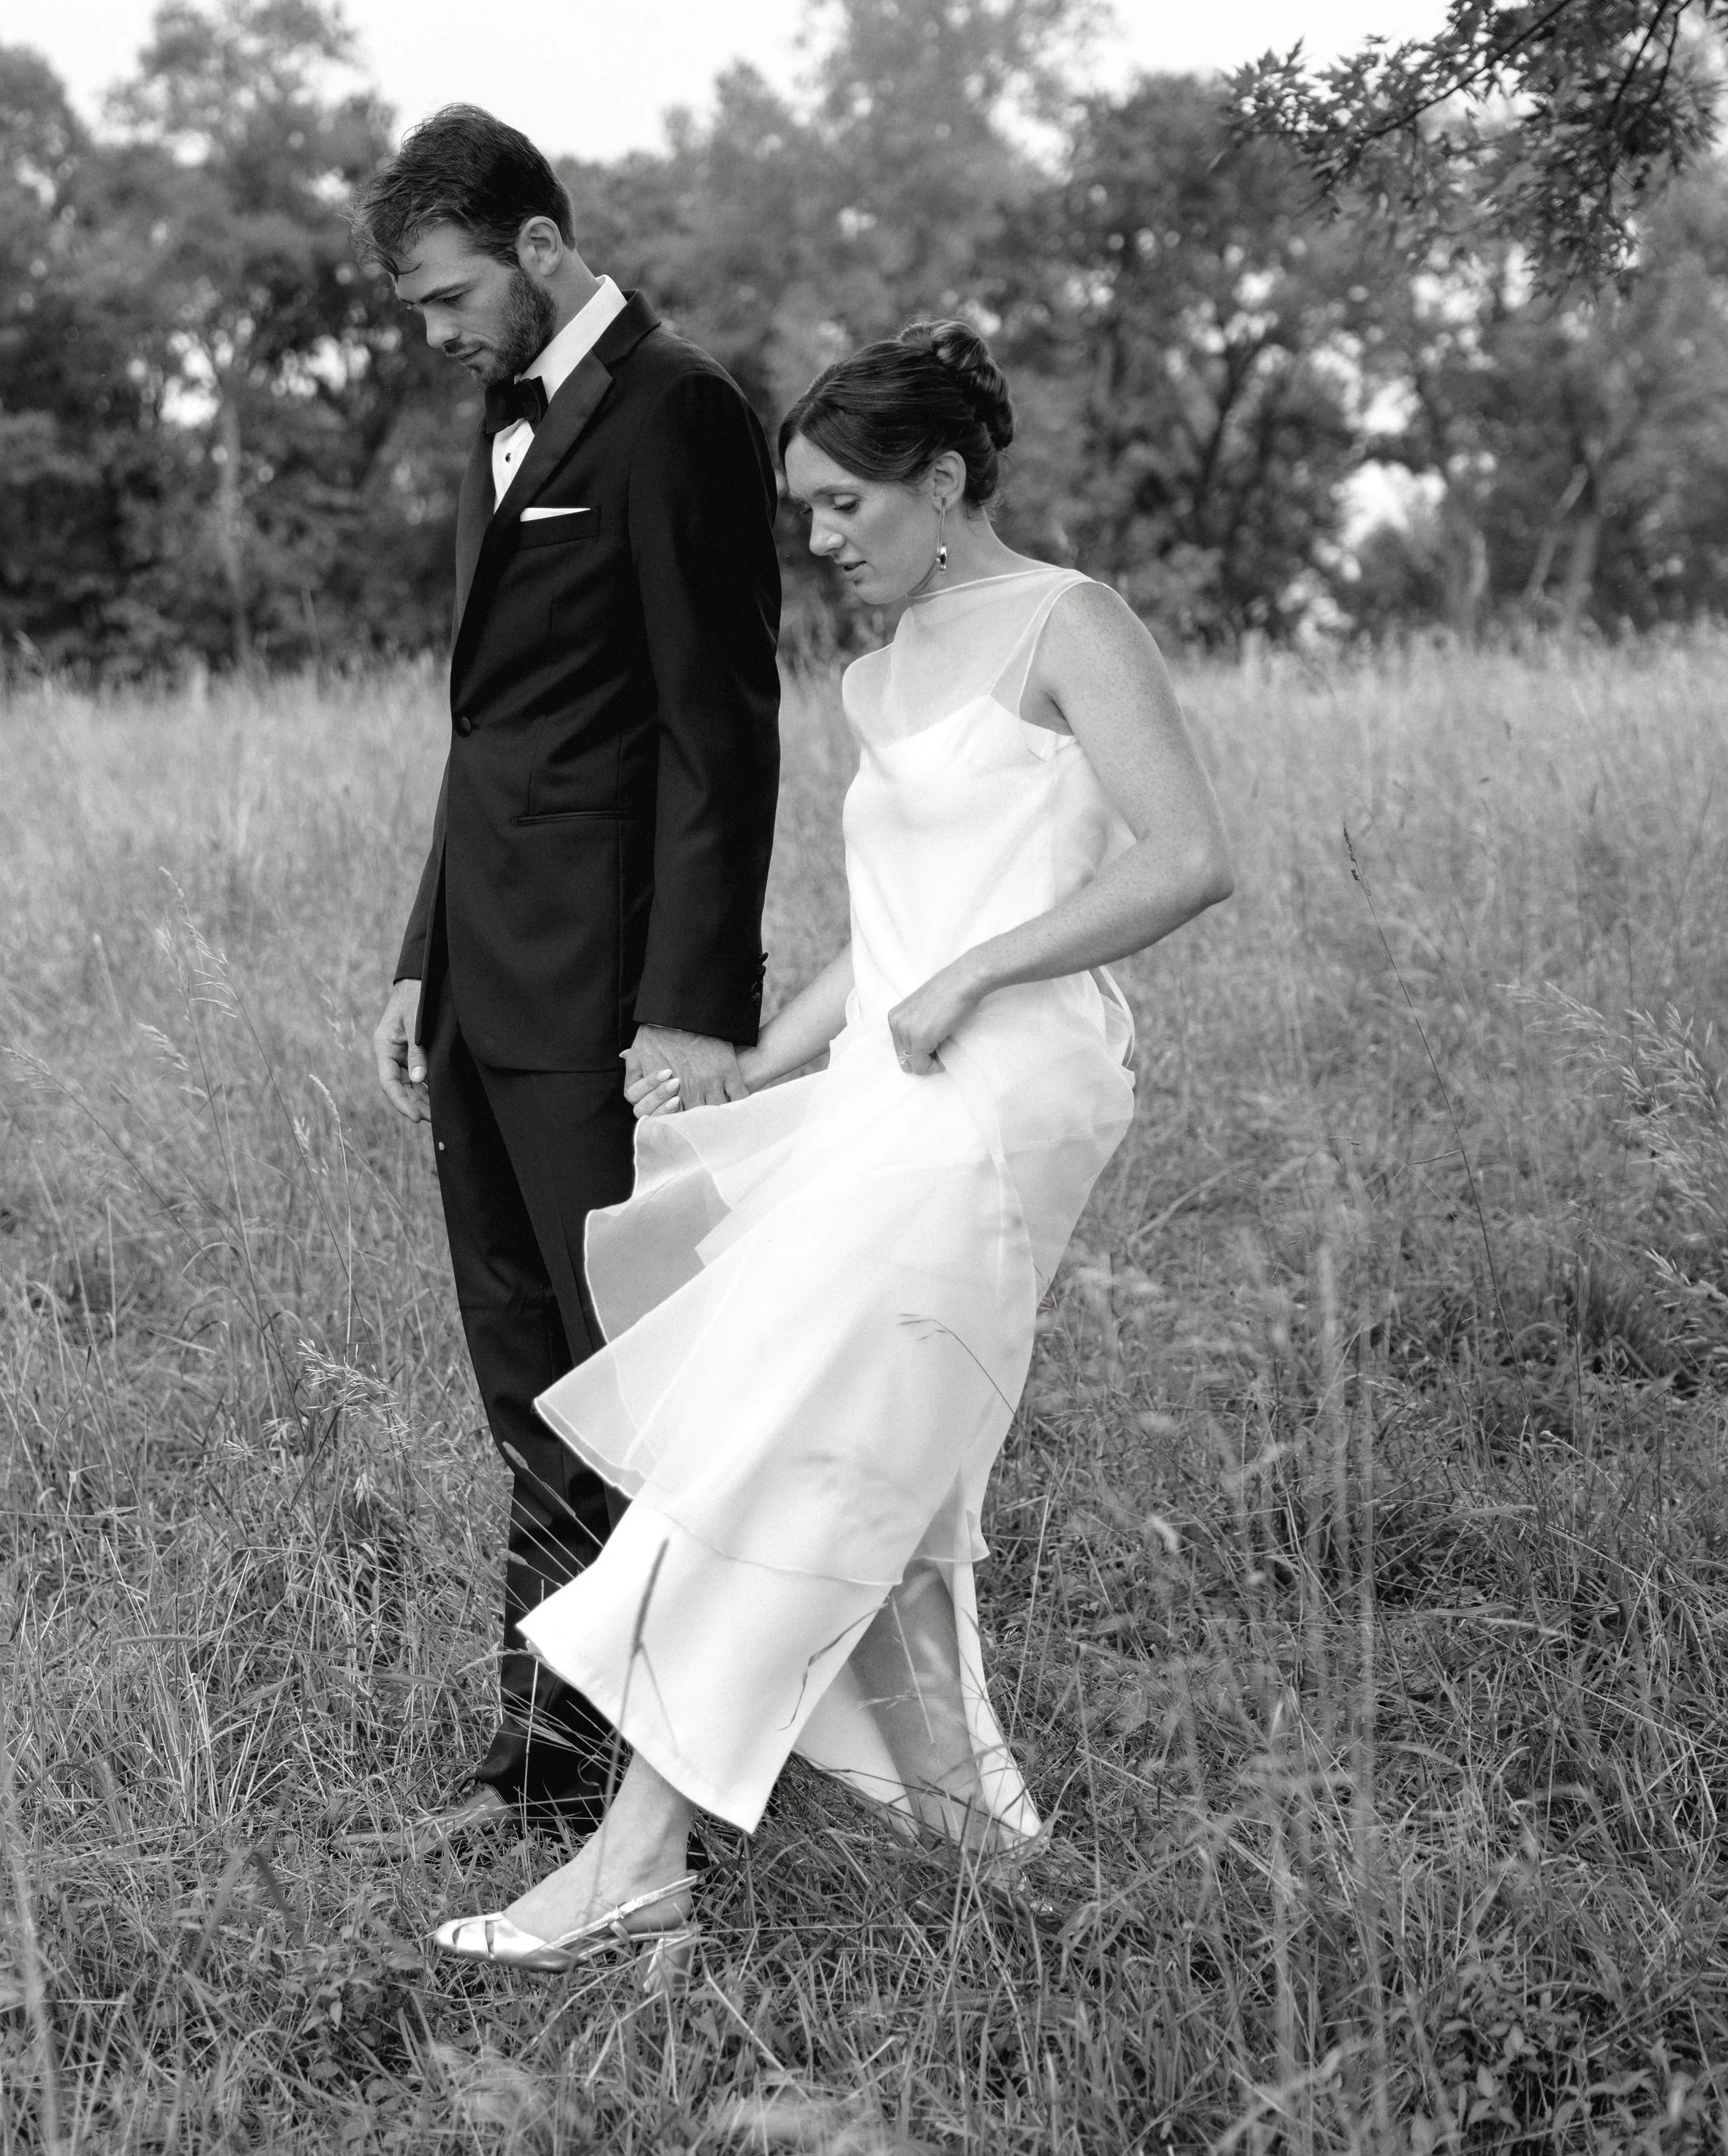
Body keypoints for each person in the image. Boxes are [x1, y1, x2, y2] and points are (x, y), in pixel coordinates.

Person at [431, 319, 1233, 1984]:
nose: (819, 538)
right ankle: (975, 1838)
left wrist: (974, 972)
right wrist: (737, 1070)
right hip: (889, 1086)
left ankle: (634, 1856)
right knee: (879, 1460)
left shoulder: (1067, 623)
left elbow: (1186, 859)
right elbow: (881, 950)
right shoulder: (876, 678)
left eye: (843, 504)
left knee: (780, 1438)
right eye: (802, 509)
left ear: (939, 484)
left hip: (1008, 1095)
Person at [357, 107, 782, 1853]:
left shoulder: (678, 413)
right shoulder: (497, 415)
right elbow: (495, 732)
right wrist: (414, 953)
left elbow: (720, 730)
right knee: (526, 1386)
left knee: (635, 1387)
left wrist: (689, 1009)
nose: (439, 334)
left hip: (607, 1006)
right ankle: (542, 1752)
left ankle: (671, 1768)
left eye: (452, 294)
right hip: (477, 985)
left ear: (537, 245)